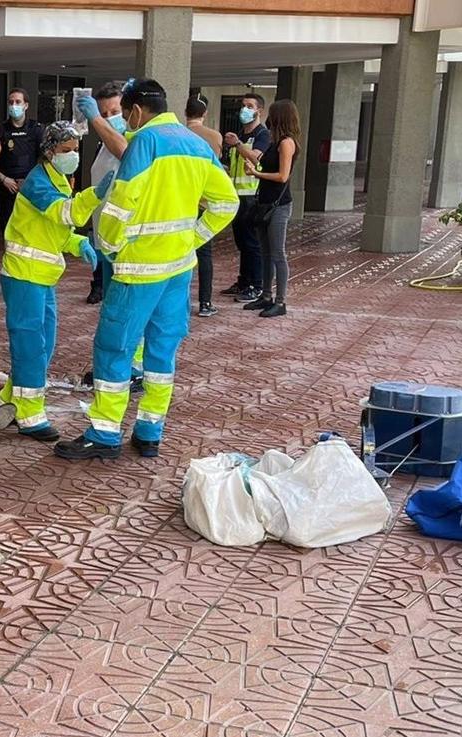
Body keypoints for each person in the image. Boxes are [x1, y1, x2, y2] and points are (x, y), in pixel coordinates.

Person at [57, 79, 239, 461]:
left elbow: (120, 205)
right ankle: (150, 431)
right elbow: (227, 202)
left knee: (115, 347)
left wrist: (108, 246)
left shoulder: (145, 143)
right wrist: (192, 238)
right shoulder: (195, 145)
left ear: (137, 111)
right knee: (161, 352)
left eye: (125, 114)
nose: (125, 121)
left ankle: (105, 433)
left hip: (137, 270)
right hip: (178, 270)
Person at [0, 121, 102, 442]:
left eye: (76, 149)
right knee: (30, 345)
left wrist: (77, 243)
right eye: (67, 150)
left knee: (44, 344)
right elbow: (66, 214)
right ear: (50, 151)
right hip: (24, 275)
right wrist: (95, 194)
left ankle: (10, 399)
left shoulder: (58, 180)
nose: (73, 155)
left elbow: (55, 230)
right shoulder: (39, 183)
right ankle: (29, 415)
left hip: (40, 276)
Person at [241, 99, 301, 319]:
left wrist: (257, 174)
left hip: (279, 204)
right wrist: (253, 166)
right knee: (265, 252)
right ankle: (266, 296)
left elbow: (283, 176)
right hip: (265, 201)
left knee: (277, 253)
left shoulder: (286, 143)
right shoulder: (274, 141)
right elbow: (265, 163)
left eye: (272, 115)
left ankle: (280, 301)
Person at [80, 81, 130, 306]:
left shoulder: (133, 138)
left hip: (123, 239)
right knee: (111, 300)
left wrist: (96, 119)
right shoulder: (103, 146)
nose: (109, 118)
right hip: (105, 235)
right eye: (103, 114)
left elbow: (124, 152)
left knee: (121, 304)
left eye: (115, 112)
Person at [223, 93, 272, 304]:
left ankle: (256, 285)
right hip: (237, 196)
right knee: (242, 242)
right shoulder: (241, 136)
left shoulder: (263, 135)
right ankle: (243, 281)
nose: (245, 109)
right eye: (243, 105)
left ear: (259, 110)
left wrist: (237, 145)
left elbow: (257, 157)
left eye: (250, 106)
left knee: (252, 243)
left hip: (252, 196)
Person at [185, 95, 225, 317]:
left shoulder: (178, 134)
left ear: (185, 112)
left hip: (181, 202)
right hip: (204, 204)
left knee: (180, 254)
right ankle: (205, 302)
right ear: (205, 113)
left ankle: (180, 301)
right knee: (205, 254)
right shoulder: (214, 137)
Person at [0, 88, 46, 235]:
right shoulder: (0, 130)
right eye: (11, 102)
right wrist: (4, 179)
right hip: (7, 189)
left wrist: (30, 181)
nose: (14, 105)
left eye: (18, 102)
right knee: (8, 231)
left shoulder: (36, 130)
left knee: (30, 232)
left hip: (30, 189)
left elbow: (46, 159)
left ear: (26, 105)